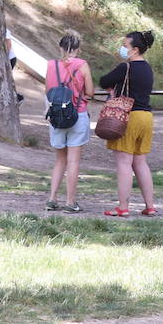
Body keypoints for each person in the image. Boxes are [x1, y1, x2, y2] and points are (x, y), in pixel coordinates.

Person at [98, 30, 156, 217]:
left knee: (124, 162)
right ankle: (150, 206)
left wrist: (112, 87)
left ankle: (123, 207)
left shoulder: (126, 68)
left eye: (125, 46)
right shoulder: (147, 68)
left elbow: (104, 80)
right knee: (141, 162)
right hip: (146, 117)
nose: (122, 49)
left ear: (135, 50)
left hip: (128, 116)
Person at [45, 30, 94, 213]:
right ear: (77, 48)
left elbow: (48, 91)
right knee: (73, 161)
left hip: (56, 117)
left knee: (60, 160)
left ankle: (51, 199)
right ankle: (70, 202)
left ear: (60, 47)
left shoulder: (51, 65)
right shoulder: (82, 65)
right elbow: (90, 92)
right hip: (77, 114)